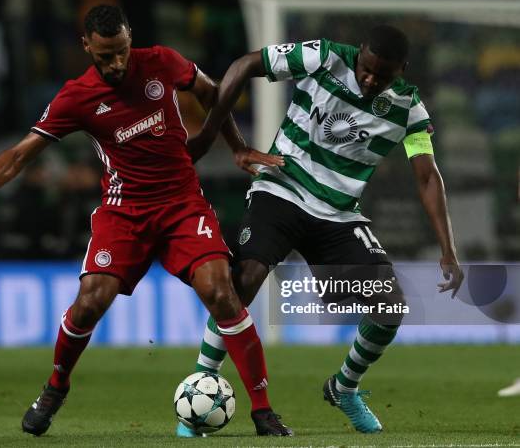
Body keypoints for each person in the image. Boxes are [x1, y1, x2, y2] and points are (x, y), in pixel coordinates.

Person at [0, 5, 293, 437]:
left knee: (221, 291)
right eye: (105, 57)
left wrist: (237, 146)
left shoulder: (162, 61)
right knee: (91, 300)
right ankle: (55, 387)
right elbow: (21, 153)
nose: (116, 63)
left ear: (129, 37)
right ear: (86, 47)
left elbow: (214, 92)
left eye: (120, 52)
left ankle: (264, 410)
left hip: (181, 205)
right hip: (125, 214)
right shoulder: (77, 96)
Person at [180, 25, 465, 436]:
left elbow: (426, 176)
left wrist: (447, 248)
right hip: (281, 188)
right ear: (359, 54)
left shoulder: (409, 108)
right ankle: (202, 384)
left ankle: (344, 388)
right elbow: (244, 64)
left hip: (338, 214)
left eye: (381, 76)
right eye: (366, 69)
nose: (369, 80)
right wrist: (215, 136)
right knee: (244, 279)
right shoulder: (324, 57)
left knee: (389, 306)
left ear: (400, 71)